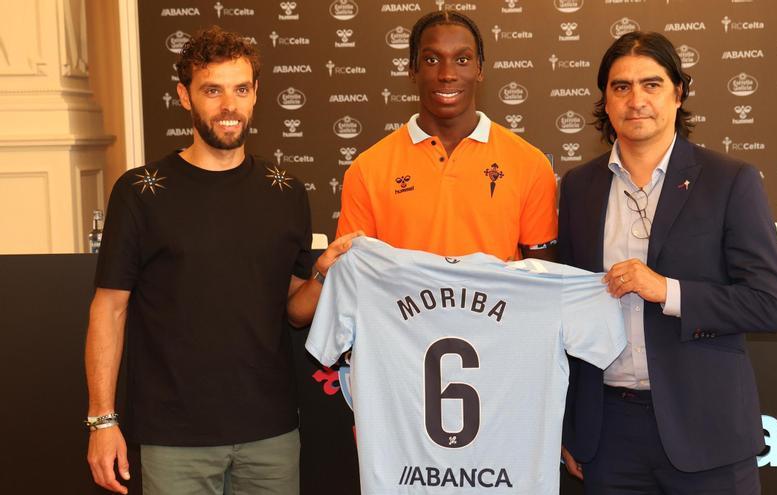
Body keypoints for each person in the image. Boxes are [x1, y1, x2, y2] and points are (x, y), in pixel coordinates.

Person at [84, 27, 358, 495]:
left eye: (241, 89)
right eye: (212, 90)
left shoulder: (286, 191)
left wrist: (321, 274)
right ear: (184, 97)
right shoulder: (140, 193)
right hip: (175, 438)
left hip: (271, 433)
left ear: (255, 96)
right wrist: (102, 421)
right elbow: (108, 309)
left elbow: (294, 310)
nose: (228, 105)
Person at [559, 31, 777, 494]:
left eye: (652, 84)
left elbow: (769, 305)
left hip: (707, 430)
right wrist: (567, 428)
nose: (636, 99)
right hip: (608, 434)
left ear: (678, 93)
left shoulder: (730, 181)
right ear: (604, 100)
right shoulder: (578, 187)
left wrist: (668, 291)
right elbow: (563, 314)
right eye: (621, 87)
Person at [336, 10, 557, 262]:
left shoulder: (529, 163)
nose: (447, 74)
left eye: (462, 60)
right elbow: (356, 275)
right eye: (431, 60)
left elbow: (542, 279)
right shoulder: (367, 170)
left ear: (480, 69)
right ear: (411, 70)